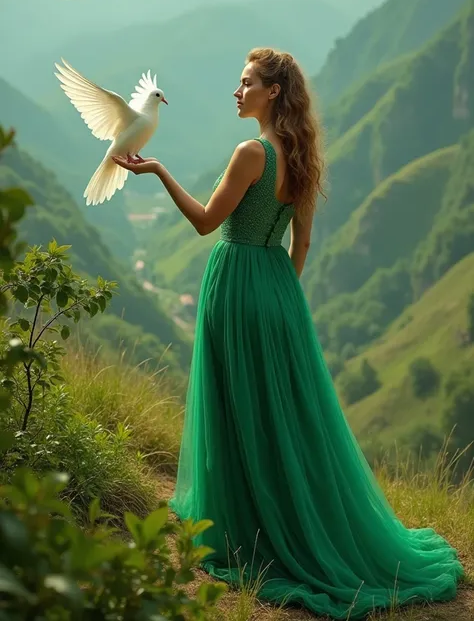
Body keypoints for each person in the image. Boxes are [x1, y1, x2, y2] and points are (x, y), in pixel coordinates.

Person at [112, 47, 464, 619]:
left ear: (272, 92)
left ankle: (245, 526)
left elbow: (206, 223)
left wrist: (158, 171)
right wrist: (279, 301)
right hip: (278, 289)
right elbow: (300, 244)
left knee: (238, 407)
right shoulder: (300, 158)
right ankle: (291, 517)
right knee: (279, 415)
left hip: (235, 281)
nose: (237, 90)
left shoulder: (251, 153)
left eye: (246, 82)